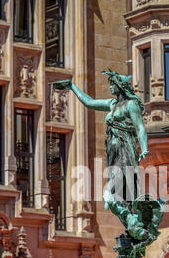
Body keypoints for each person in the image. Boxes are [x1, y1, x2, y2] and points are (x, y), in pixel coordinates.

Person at [53, 70, 149, 209]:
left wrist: (144, 148)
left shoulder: (131, 105)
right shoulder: (112, 104)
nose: (110, 87)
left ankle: (110, 194)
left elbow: (140, 127)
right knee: (115, 169)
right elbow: (89, 102)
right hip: (113, 143)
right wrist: (72, 87)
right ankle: (115, 196)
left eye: (112, 84)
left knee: (122, 168)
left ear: (120, 86)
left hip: (125, 142)